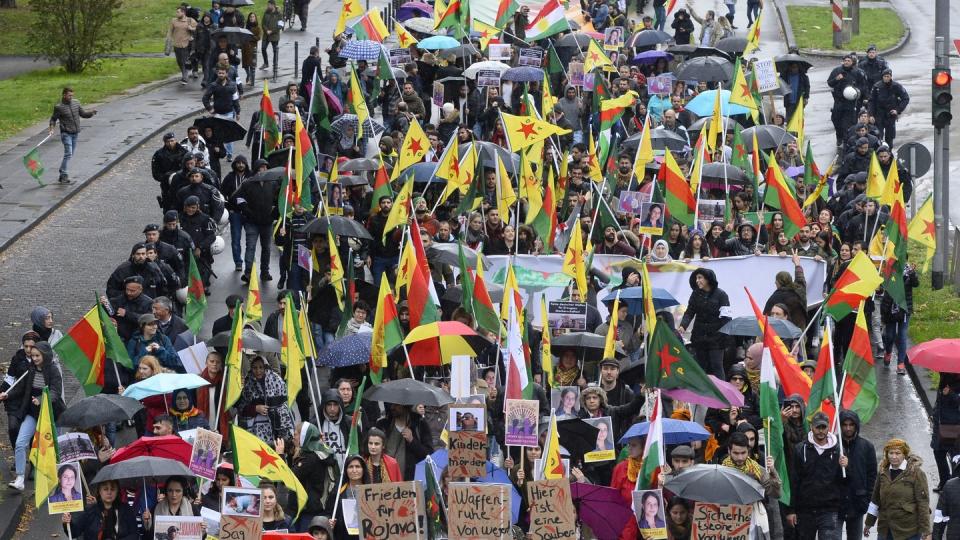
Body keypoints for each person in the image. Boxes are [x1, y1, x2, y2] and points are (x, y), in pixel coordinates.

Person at [1, 341, 65, 491]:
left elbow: (55, 392)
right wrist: (7, 394)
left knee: (54, 448)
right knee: (20, 443)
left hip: (51, 415)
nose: (34, 358)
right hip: (32, 413)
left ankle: (58, 479)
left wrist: (42, 399)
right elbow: (21, 387)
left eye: (37, 355)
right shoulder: (31, 369)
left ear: (45, 355)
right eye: (33, 355)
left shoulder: (54, 370)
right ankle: (20, 478)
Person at [785, 411, 849, 540]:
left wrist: (847, 467)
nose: (821, 431)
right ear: (811, 427)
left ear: (828, 427)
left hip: (829, 510)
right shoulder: (800, 449)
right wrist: (791, 510)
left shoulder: (839, 450)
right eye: (817, 427)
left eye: (823, 427)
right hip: (805, 511)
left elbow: (845, 482)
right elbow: (794, 481)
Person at [863, 439, 931, 539]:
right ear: (887, 454)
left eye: (898, 453)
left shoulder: (916, 473)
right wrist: (869, 523)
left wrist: (926, 531)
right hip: (885, 529)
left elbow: (923, 503)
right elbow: (875, 500)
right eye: (891, 453)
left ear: (904, 454)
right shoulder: (882, 472)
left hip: (908, 531)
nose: (894, 456)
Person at [678, 268, 731, 379]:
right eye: (696, 278)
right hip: (699, 337)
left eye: (700, 277)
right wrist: (683, 325)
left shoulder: (722, 295)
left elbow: (726, 318)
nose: (697, 281)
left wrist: (723, 336)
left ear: (708, 279)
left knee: (717, 366)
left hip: (716, 338)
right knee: (700, 367)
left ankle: (722, 394)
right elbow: (689, 312)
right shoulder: (695, 294)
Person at [837, 409, 878, 540]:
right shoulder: (833, 446)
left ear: (856, 426)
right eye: (845, 425)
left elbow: (872, 476)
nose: (848, 428)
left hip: (857, 503)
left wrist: (867, 500)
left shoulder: (867, 447)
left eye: (851, 424)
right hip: (836, 503)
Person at [237, 356, 295, 444]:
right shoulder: (248, 383)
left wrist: (274, 409)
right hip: (258, 428)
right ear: (251, 368)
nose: (258, 371)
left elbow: (284, 403)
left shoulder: (276, 380)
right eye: (255, 368)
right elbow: (241, 407)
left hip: (279, 423)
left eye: (261, 367)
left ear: (265, 367)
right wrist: (255, 408)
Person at [48, 86, 98, 184]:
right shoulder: (59, 107)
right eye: (69, 95)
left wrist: (91, 113)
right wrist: (51, 128)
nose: (71, 97)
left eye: (72, 95)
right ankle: (64, 174)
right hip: (66, 133)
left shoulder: (76, 103)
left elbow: (83, 114)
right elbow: (53, 119)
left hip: (75, 133)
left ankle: (62, 175)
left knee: (70, 154)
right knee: (68, 153)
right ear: (64, 95)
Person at [61, 480, 139, 540]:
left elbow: (134, 535)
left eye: (112, 489)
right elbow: (74, 533)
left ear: (117, 491)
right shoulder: (90, 511)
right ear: (99, 491)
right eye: (105, 489)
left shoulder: (126, 509)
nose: (109, 492)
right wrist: (67, 523)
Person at [880, 261, 919, 374]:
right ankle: (888, 352)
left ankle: (900, 363)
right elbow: (884, 288)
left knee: (902, 336)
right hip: (890, 310)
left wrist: (912, 274)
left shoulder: (909, 272)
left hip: (904, 310)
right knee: (890, 336)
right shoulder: (889, 271)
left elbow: (916, 284)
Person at [167, 7, 197, 84]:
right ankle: (184, 73)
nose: (176, 13)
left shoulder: (190, 20)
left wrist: (192, 29)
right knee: (179, 61)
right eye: (176, 12)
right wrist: (168, 40)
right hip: (176, 44)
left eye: (178, 12)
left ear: (183, 13)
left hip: (186, 44)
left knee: (184, 61)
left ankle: (185, 77)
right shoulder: (174, 21)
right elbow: (170, 31)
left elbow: (198, 29)